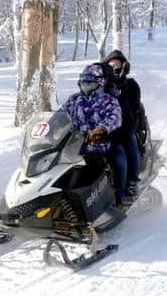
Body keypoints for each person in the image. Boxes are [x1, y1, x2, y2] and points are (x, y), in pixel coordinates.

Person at [58, 64, 128, 211]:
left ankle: (119, 199)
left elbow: (115, 118)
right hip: (74, 146)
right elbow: (60, 116)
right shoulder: (74, 99)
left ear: (99, 82)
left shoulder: (109, 100)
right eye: (83, 80)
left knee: (118, 161)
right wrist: (51, 125)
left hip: (100, 145)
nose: (85, 83)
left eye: (89, 80)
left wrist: (101, 129)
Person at [102, 50, 145, 199]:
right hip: (103, 131)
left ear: (123, 67)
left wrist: (120, 88)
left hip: (124, 129)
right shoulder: (100, 86)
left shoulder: (130, 85)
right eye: (110, 64)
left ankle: (132, 182)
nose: (114, 67)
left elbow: (131, 110)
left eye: (117, 64)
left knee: (125, 145)